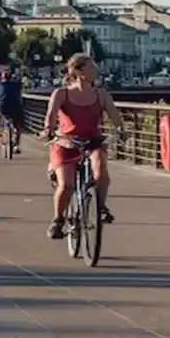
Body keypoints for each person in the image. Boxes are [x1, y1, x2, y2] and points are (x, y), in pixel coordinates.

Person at [38, 53, 125, 239]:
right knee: (66, 185)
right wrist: (48, 130)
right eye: (92, 67)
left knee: (101, 173)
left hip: (93, 141)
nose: (96, 71)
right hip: (66, 142)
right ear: (79, 71)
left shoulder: (101, 94)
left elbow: (115, 116)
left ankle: (101, 207)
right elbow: (51, 117)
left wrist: (120, 130)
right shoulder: (62, 93)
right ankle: (58, 220)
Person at [0, 69, 25, 153]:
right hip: (15, 106)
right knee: (18, 125)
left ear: (1, 77)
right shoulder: (17, 85)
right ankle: (17, 145)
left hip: (2, 107)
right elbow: (19, 97)